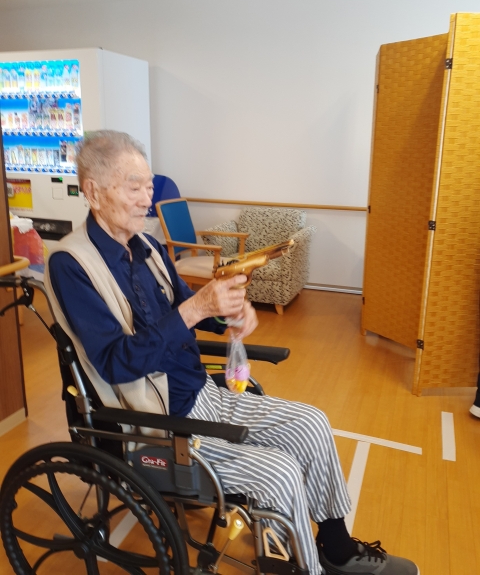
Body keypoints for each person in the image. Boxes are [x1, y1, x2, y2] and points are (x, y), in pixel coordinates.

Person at [45, 130, 418, 575]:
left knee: (312, 423)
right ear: (93, 192)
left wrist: (226, 315)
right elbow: (114, 362)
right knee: (280, 472)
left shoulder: (146, 248)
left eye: (149, 185)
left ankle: (336, 550)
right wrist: (196, 309)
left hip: (202, 392)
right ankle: (302, 567)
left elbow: (186, 304)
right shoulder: (71, 264)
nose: (148, 198)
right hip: (158, 422)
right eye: (134, 187)